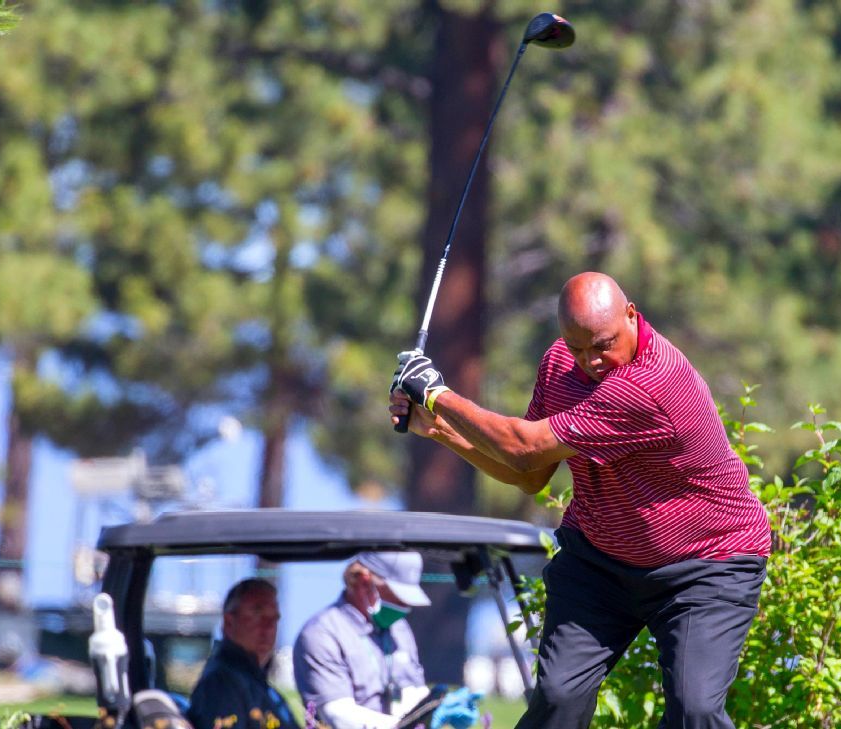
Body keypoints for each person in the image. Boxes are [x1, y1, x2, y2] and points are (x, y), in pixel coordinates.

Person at [389, 271, 771, 729]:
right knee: (557, 698)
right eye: (578, 347)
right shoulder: (559, 364)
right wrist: (438, 429)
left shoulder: (653, 383)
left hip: (707, 564)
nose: (591, 361)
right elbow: (529, 475)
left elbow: (523, 446)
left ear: (632, 315)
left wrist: (434, 393)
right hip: (602, 561)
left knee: (695, 709)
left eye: (603, 344)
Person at [292, 552, 480, 729]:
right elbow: (338, 714)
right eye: (399, 595)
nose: (405, 605)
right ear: (365, 582)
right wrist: (406, 725)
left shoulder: (399, 628)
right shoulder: (322, 633)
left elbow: (410, 692)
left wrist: (437, 704)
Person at [187, 578, 300, 729]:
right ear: (229, 622)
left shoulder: (259, 685)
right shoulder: (222, 683)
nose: (268, 627)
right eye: (257, 615)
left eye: (274, 619)